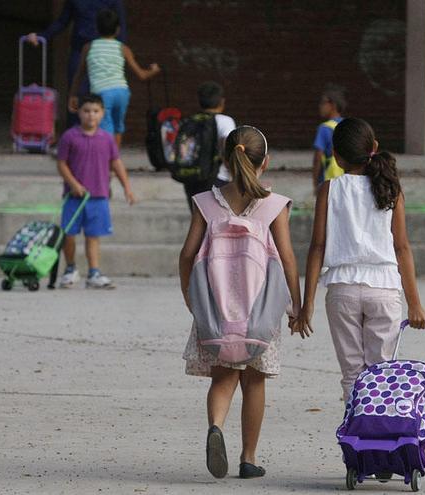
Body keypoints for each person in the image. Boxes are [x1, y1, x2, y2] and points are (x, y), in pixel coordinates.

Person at [179, 126, 306, 479]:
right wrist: (298, 307)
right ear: (265, 162)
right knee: (255, 381)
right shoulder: (273, 205)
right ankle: (248, 458)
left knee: (222, 378)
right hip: (259, 315)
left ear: (225, 161)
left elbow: (188, 254)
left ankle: (216, 426)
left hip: (215, 312)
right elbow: (288, 259)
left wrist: (191, 298)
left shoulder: (205, 203)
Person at [295, 118, 425, 401]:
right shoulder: (392, 190)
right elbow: (402, 248)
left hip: (342, 290)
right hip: (384, 290)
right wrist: (415, 303)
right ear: (374, 147)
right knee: (382, 373)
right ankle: (379, 436)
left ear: (336, 156)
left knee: (352, 375)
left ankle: (356, 438)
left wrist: (308, 304)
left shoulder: (329, 189)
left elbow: (316, 248)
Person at [56, 94, 137, 289]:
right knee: (69, 234)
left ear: (102, 114)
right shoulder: (69, 137)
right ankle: (70, 269)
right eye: (86, 111)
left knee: (93, 236)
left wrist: (127, 188)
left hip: (99, 196)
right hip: (73, 197)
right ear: (79, 112)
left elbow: (116, 164)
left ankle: (94, 272)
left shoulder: (107, 139)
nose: (90, 115)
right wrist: (73, 184)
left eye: (95, 111)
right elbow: (61, 164)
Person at [26, 0, 127, 128]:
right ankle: (74, 137)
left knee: (104, 96)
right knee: (76, 95)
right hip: (79, 50)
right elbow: (62, 21)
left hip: (103, 52)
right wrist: (42, 36)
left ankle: (101, 141)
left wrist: (119, 53)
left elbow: (121, 26)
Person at [68, 9, 160, 148]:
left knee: (105, 129)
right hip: (122, 92)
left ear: (97, 29)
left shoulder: (88, 47)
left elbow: (79, 73)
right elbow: (142, 75)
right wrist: (154, 70)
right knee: (118, 127)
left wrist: (73, 94)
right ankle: (114, 159)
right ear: (118, 29)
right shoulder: (123, 48)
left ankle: (106, 161)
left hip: (102, 93)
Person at [181, 81, 237, 212]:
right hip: (218, 178)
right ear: (222, 102)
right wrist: (235, 176)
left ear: (199, 101)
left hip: (192, 178)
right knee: (217, 223)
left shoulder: (190, 121)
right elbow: (226, 147)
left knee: (198, 219)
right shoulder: (225, 121)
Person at [310, 85, 346, 194]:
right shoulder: (347, 125)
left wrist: (316, 184)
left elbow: (318, 158)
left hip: (328, 182)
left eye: (323, 103)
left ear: (332, 105)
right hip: (346, 180)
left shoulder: (324, 128)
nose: (320, 106)